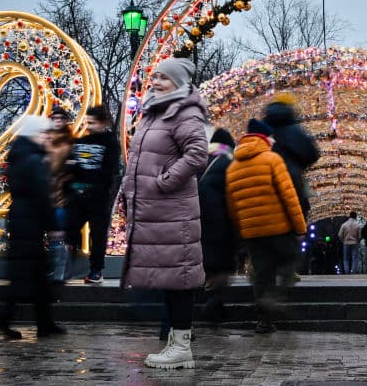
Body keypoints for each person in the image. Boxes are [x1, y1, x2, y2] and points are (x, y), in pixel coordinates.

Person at [120, 57, 207, 370]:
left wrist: (164, 182)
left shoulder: (184, 111)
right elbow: (139, 161)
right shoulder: (154, 113)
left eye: (164, 78)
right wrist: (126, 191)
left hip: (174, 212)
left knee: (180, 279)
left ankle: (182, 346)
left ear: (179, 83)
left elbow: (197, 154)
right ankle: (176, 341)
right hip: (158, 211)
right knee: (173, 279)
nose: (156, 82)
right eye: (154, 76)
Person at [226, 119, 307, 334]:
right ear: (264, 138)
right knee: (290, 259)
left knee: (261, 274)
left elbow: (232, 206)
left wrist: (240, 234)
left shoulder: (232, 167)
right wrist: (300, 228)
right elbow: (289, 196)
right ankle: (275, 298)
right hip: (278, 227)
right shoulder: (272, 160)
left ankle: (264, 321)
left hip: (252, 232)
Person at [0, 115, 67, 339]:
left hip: (23, 222)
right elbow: (43, 196)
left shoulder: (20, 156)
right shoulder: (33, 160)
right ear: (34, 134)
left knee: (36, 278)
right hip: (30, 224)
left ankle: (45, 324)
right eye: (44, 134)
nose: (47, 138)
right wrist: (53, 225)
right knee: (23, 279)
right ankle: (2, 320)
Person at [63, 105, 120, 284]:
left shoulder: (110, 142)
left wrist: (95, 185)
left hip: (98, 197)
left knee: (98, 234)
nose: (88, 125)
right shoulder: (80, 142)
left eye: (92, 122)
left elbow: (109, 171)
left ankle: (96, 270)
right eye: (87, 121)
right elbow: (71, 167)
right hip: (78, 196)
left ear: (103, 123)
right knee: (69, 229)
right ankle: (68, 262)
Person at [199, 128, 238, 324]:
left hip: (197, 222)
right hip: (220, 222)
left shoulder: (199, 161)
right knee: (221, 267)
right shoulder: (229, 164)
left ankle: (216, 307)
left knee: (209, 265)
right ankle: (215, 303)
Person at [262, 93, 320, 220]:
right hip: (291, 181)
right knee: (295, 216)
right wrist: (299, 165)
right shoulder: (294, 129)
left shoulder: (262, 130)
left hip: (266, 184)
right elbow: (312, 154)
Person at [47, 106, 74, 238]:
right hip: (45, 193)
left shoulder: (70, 142)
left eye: (61, 118)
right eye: (55, 118)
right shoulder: (45, 140)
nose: (58, 121)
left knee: (59, 234)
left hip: (62, 195)